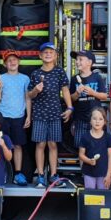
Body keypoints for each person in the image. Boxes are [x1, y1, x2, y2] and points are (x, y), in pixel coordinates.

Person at [28, 42, 73, 188]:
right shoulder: (35, 74)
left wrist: (70, 107)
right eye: (45, 52)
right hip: (39, 114)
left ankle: (53, 175)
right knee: (40, 144)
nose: (48, 54)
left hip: (55, 113)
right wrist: (36, 90)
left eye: (51, 52)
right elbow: (30, 95)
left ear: (55, 56)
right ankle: (41, 175)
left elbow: (65, 91)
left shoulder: (59, 72)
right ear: (40, 56)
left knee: (53, 144)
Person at [0, 51, 31, 186]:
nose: (12, 62)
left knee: (17, 145)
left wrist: (29, 115)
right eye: (9, 60)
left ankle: (18, 173)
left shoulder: (25, 79)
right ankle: (1, 171)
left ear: (19, 62)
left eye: (15, 60)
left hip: (19, 117)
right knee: (1, 145)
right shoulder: (1, 79)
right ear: (5, 64)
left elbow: (27, 98)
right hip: (3, 116)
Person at [69, 51, 108, 147]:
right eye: (76, 60)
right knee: (80, 146)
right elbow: (71, 99)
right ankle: (83, 162)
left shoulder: (97, 77)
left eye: (80, 59)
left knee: (96, 146)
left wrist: (92, 93)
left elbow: (104, 96)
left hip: (95, 118)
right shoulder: (74, 79)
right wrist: (77, 93)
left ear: (89, 62)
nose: (77, 62)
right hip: (80, 118)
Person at [78, 107, 111, 190]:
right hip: (89, 173)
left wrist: (109, 175)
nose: (97, 121)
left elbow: (110, 156)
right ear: (90, 121)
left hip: (103, 174)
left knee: (102, 197)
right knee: (90, 197)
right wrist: (89, 161)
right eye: (94, 118)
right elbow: (81, 155)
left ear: (104, 122)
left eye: (100, 119)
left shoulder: (108, 137)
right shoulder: (85, 137)